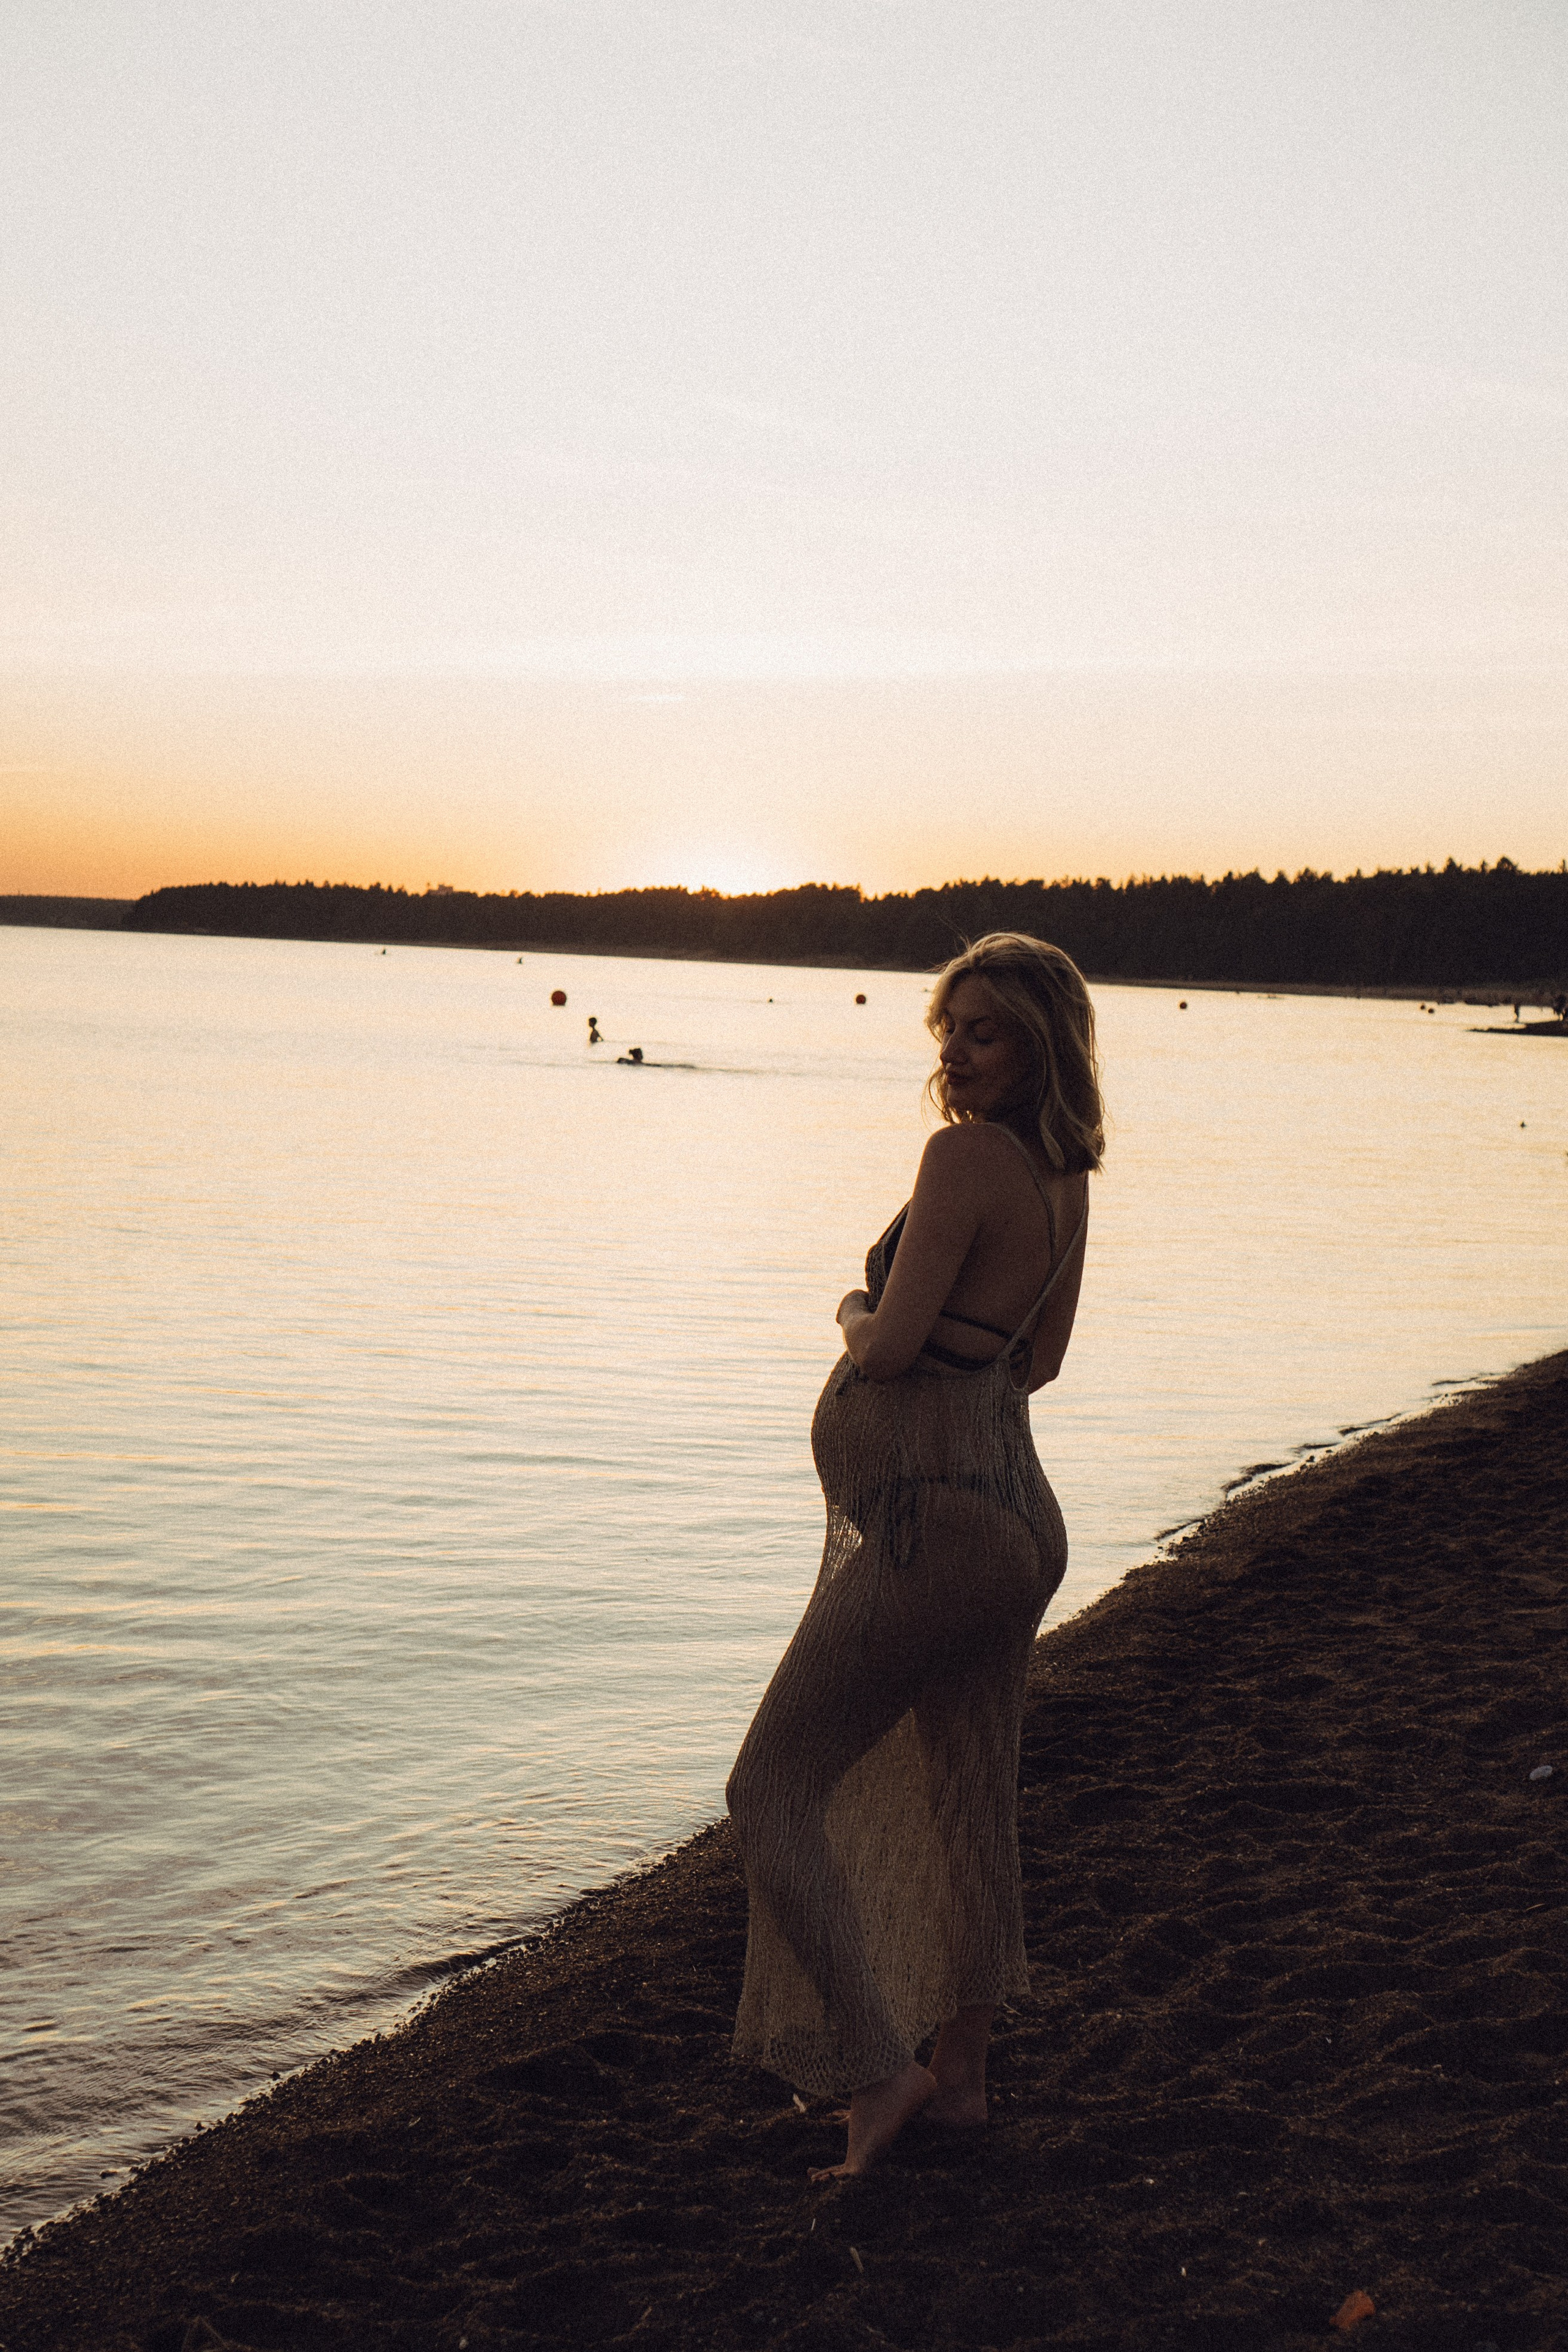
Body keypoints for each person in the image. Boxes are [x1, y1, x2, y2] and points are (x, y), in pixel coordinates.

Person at [726, 932, 1103, 2179]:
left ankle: (881, 2070)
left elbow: (885, 1352)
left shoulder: (962, 1157)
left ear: (1038, 1040)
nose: (954, 1050)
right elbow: (1035, 1361)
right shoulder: (1063, 1173)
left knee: (769, 1789)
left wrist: (849, 1311)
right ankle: (963, 2080)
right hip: (1015, 1521)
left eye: (984, 1029)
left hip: (935, 1523)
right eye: (947, 1025)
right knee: (965, 1799)